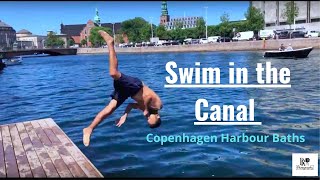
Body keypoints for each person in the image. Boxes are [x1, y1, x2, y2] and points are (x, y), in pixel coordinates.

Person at [83, 30, 163, 147]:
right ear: (157, 116)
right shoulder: (158, 105)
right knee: (113, 73)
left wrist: (125, 115)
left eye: (147, 120)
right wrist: (145, 108)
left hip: (127, 92)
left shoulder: (145, 111)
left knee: (110, 109)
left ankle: (89, 129)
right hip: (136, 86)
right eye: (149, 118)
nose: (146, 117)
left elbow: (130, 105)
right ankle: (110, 43)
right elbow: (148, 96)